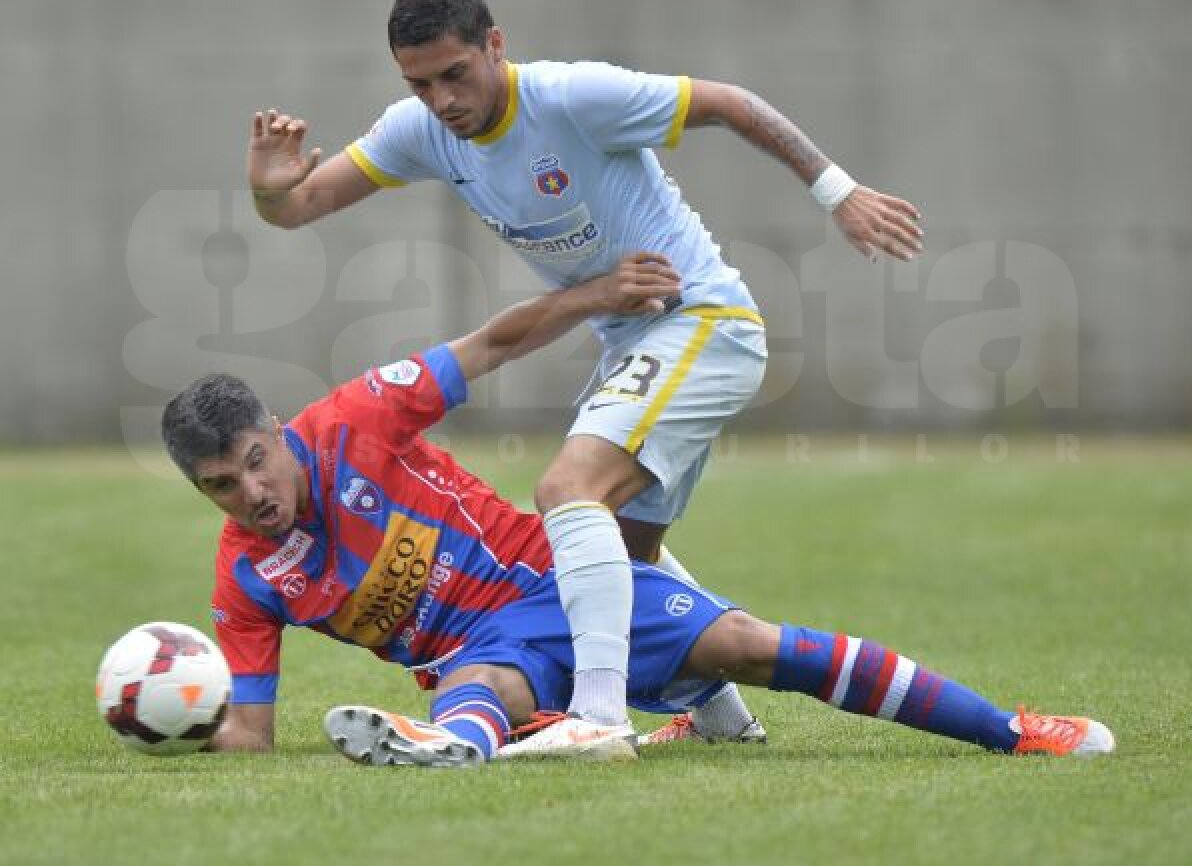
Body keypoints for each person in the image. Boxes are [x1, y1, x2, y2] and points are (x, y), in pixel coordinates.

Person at [246, 0, 925, 750]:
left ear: (495, 45)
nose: (442, 101)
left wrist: (838, 192)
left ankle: (598, 718)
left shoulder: (573, 98)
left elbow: (731, 103)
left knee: (570, 491)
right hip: (634, 341)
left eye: (455, 74)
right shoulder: (421, 129)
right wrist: (268, 191)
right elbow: (299, 204)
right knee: (624, 561)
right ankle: (724, 722)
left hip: (704, 322)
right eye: (420, 84)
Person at [161, 258, 1112, 764]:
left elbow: (489, 345)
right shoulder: (245, 578)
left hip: (553, 583)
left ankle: (1014, 730)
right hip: (480, 656)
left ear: (277, 431)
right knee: (472, 692)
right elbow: (251, 732)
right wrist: (168, 714)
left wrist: (596, 295)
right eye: (222, 487)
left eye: (255, 463)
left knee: (750, 646)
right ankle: (454, 746)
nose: (253, 495)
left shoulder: (354, 421)